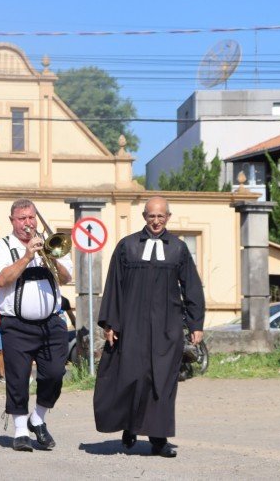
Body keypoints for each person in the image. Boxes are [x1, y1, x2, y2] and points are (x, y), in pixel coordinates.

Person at [94, 196, 204, 458]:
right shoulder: (127, 246)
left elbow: (192, 286)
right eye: (151, 216)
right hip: (132, 325)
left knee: (162, 383)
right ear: (144, 217)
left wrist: (195, 323)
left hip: (167, 327)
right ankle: (129, 427)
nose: (156, 221)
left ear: (168, 217)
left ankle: (159, 440)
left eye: (161, 216)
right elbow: (114, 287)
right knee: (131, 378)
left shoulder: (178, 248)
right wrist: (111, 323)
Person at [0, 198, 73, 452]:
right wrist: (26, 257)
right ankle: (21, 430)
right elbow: (1, 280)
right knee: (17, 378)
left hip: (52, 323)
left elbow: (67, 277)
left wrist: (50, 256)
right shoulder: (2, 247)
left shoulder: (50, 244)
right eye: (22, 218)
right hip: (16, 324)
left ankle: (38, 418)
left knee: (56, 373)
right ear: (12, 221)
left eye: (31, 217)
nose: (28, 223)